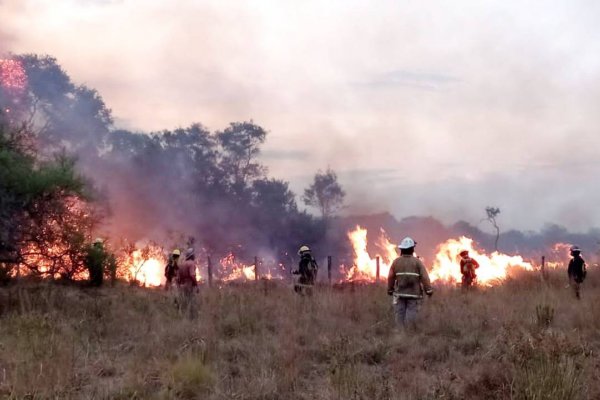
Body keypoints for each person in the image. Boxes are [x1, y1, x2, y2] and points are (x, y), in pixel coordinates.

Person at [387, 237, 433, 327]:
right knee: (411, 313)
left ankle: (400, 333)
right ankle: (409, 332)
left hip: (400, 293)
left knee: (399, 313)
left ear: (402, 249)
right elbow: (424, 277)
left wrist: (390, 289)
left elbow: (391, 277)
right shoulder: (417, 262)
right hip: (413, 294)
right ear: (412, 249)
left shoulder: (396, 262)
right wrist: (428, 290)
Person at [176, 248, 198, 317]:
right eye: (193, 255)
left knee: (183, 301)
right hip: (189, 285)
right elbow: (192, 275)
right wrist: (196, 285)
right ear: (191, 256)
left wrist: (179, 286)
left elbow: (178, 278)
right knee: (190, 301)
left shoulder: (181, 264)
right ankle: (191, 317)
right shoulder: (191, 263)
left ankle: (182, 315)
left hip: (182, 286)